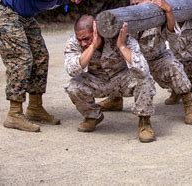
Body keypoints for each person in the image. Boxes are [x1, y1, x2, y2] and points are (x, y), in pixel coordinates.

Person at [0, 0, 98, 132]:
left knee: (40, 56)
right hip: (4, 11)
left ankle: (35, 108)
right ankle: (14, 114)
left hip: (24, 16)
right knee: (21, 58)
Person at [101, 0, 192, 125]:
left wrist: (168, 11)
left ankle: (188, 103)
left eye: (139, 3)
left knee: (173, 65)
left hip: (157, 58)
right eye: (133, 4)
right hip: (136, 60)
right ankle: (116, 99)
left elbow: (172, 34)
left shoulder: (156, 15)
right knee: (115, 65)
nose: (136, 6)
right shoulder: (128, 19)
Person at [64, 15, 157, 143]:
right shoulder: (75, 42)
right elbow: (71, 70)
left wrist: (121, 46)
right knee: (73, 87)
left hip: (122, 78)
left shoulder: (121, 37)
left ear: (98, 32)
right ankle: (92, 116)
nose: (82, 43)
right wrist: (92, 46)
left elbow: (142, 68)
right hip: (97, 80)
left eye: (86, 39)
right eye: (79, 40)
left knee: (145, 79)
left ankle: (144, 122)